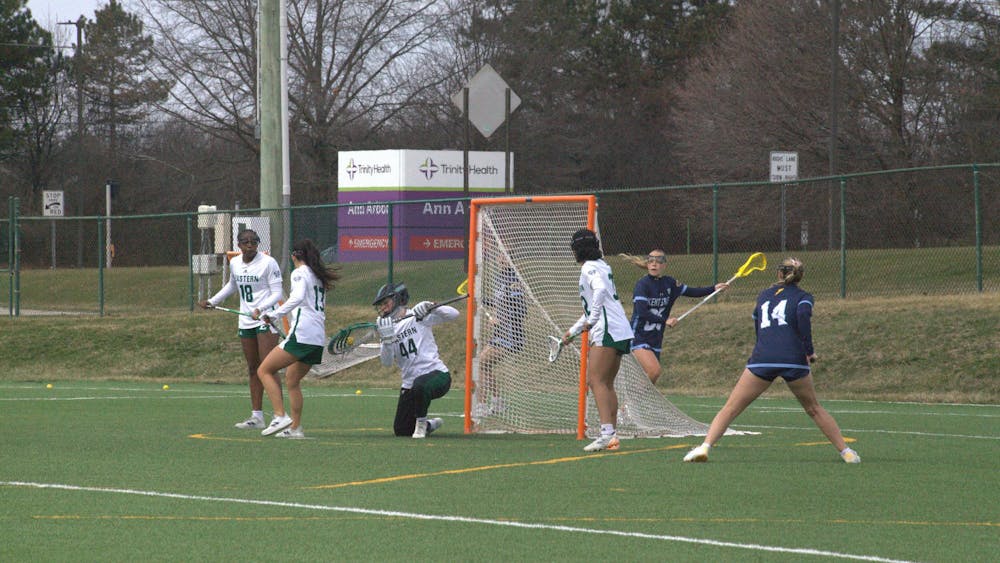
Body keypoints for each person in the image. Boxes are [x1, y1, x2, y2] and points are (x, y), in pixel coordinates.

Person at [683, 257, 860, 464]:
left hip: (763, 359)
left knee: (731, 407)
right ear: (800, 276)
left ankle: (704, 447)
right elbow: (803, 315)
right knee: (813, 408)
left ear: (779, 273)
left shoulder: (764, 295)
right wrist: (809, 351)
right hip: (793, 360)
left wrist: (763, 346)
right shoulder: (804, 296)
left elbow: (758, 323)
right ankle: (846, 452)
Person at [198, 229, 283, 430]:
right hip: (246, 320)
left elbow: (277, 292)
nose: (249, 244)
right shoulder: (235, 263)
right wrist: (212, 301)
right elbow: (232, 285)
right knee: (253, 368)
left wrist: (260, 309)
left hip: (265, 318)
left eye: (253, 241)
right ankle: (257, 416)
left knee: (268, 367)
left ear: (258, 243)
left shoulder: (268, 263)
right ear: (239, 245)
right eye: (245, 241)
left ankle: (280, 415)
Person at [256, 239, 340, 438]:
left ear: (294, 256)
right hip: (317, 338)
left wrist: (274, 314)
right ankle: (295, 429)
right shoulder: (317, 276)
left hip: (303, 333)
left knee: (264, 370)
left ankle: (280, 416)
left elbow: (298, 297)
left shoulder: (300, 273)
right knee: (292, 380)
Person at [560, 229, 634, 452]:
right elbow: (594, 304)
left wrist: (592, 321)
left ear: (577, 250)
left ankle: (606, 434)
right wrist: (573, 331)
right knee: (606, 382)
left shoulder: (589, 267)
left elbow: (599, 293)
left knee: (595, 381)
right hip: (620, 329)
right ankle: (612, 435)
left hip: (608, 329)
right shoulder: (602, 265)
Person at [625, 249, 729, 384]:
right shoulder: (642, 285)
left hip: (655, 338)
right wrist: (665, 320)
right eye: (651, 261)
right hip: (638, 336)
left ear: (664, 265)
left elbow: (692, 291)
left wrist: (714, 288)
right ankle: (634, 402)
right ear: (647, 264)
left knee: (650, 378)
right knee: (654, 371)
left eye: (659, 261)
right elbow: (642, 312)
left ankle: (629, 404)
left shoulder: (670, 283)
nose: (654, 264)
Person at [374, 282, 460, 438]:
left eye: (386, 303)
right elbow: (386, 362)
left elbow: (454, 314)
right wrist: (386, 340)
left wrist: (432, 306)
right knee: (401, 430)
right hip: (410, 384)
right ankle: (429, 425)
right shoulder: (387, 328)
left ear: (399, 299)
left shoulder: (418, 316)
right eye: (380, 305)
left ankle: (421, 423)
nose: (383, 308)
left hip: (437, 375)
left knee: (420, 384)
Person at [474, 264, 527, 418]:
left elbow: (521, 309)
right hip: (500, 334)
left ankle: (483, 406)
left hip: (511, 335)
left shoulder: (513, 279)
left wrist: (501, 318)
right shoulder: (499, 279)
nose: (499, 258)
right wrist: (483, 301)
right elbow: (500, 303)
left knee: (482, 363)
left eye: (503, 256)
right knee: (485, 365)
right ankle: (497, 403)